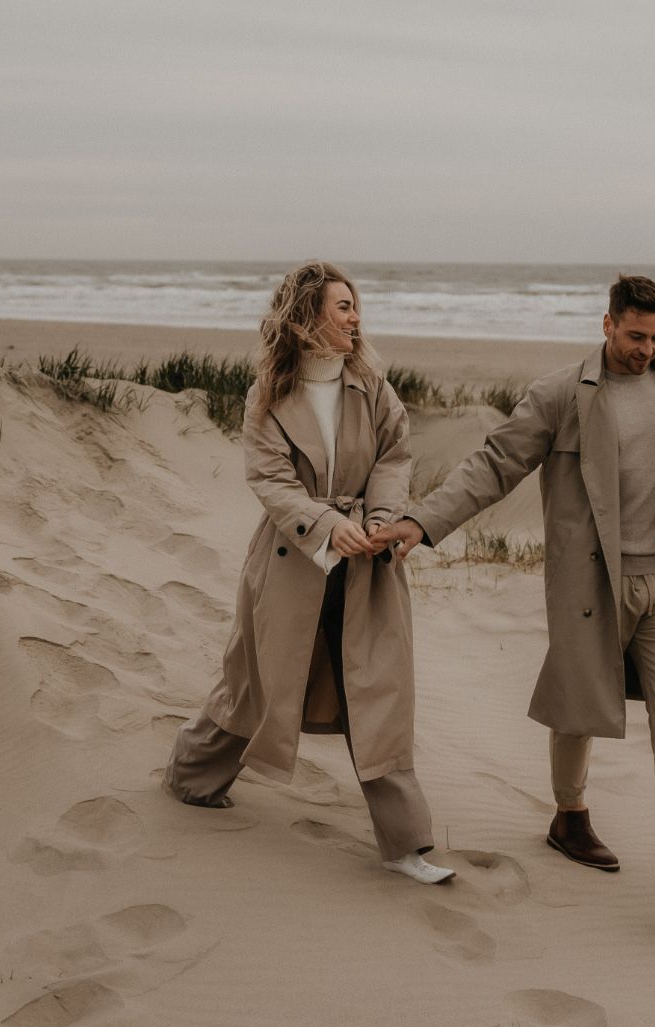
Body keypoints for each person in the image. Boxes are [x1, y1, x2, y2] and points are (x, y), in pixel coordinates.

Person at [373, 274, 655, 911]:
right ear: (607, 324)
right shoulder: (561, 394)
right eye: (636, 335)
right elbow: (494, 464)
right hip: (594, 582)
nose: (647, 349)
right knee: (581, 701)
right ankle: (569, 816)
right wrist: (423, 521)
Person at [165, 261, 453, 885]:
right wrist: (325, 526)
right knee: (257, 683)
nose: (356, 317)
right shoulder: (268, 392)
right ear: (307, 316)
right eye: (342, 306)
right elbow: (269, 479)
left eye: (356, 306)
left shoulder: (372, 383)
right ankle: (191, 775)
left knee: (376, 691)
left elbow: (394, 454)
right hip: (291, 563)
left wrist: (379, 518)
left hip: (367, 565)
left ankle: (407, 845)